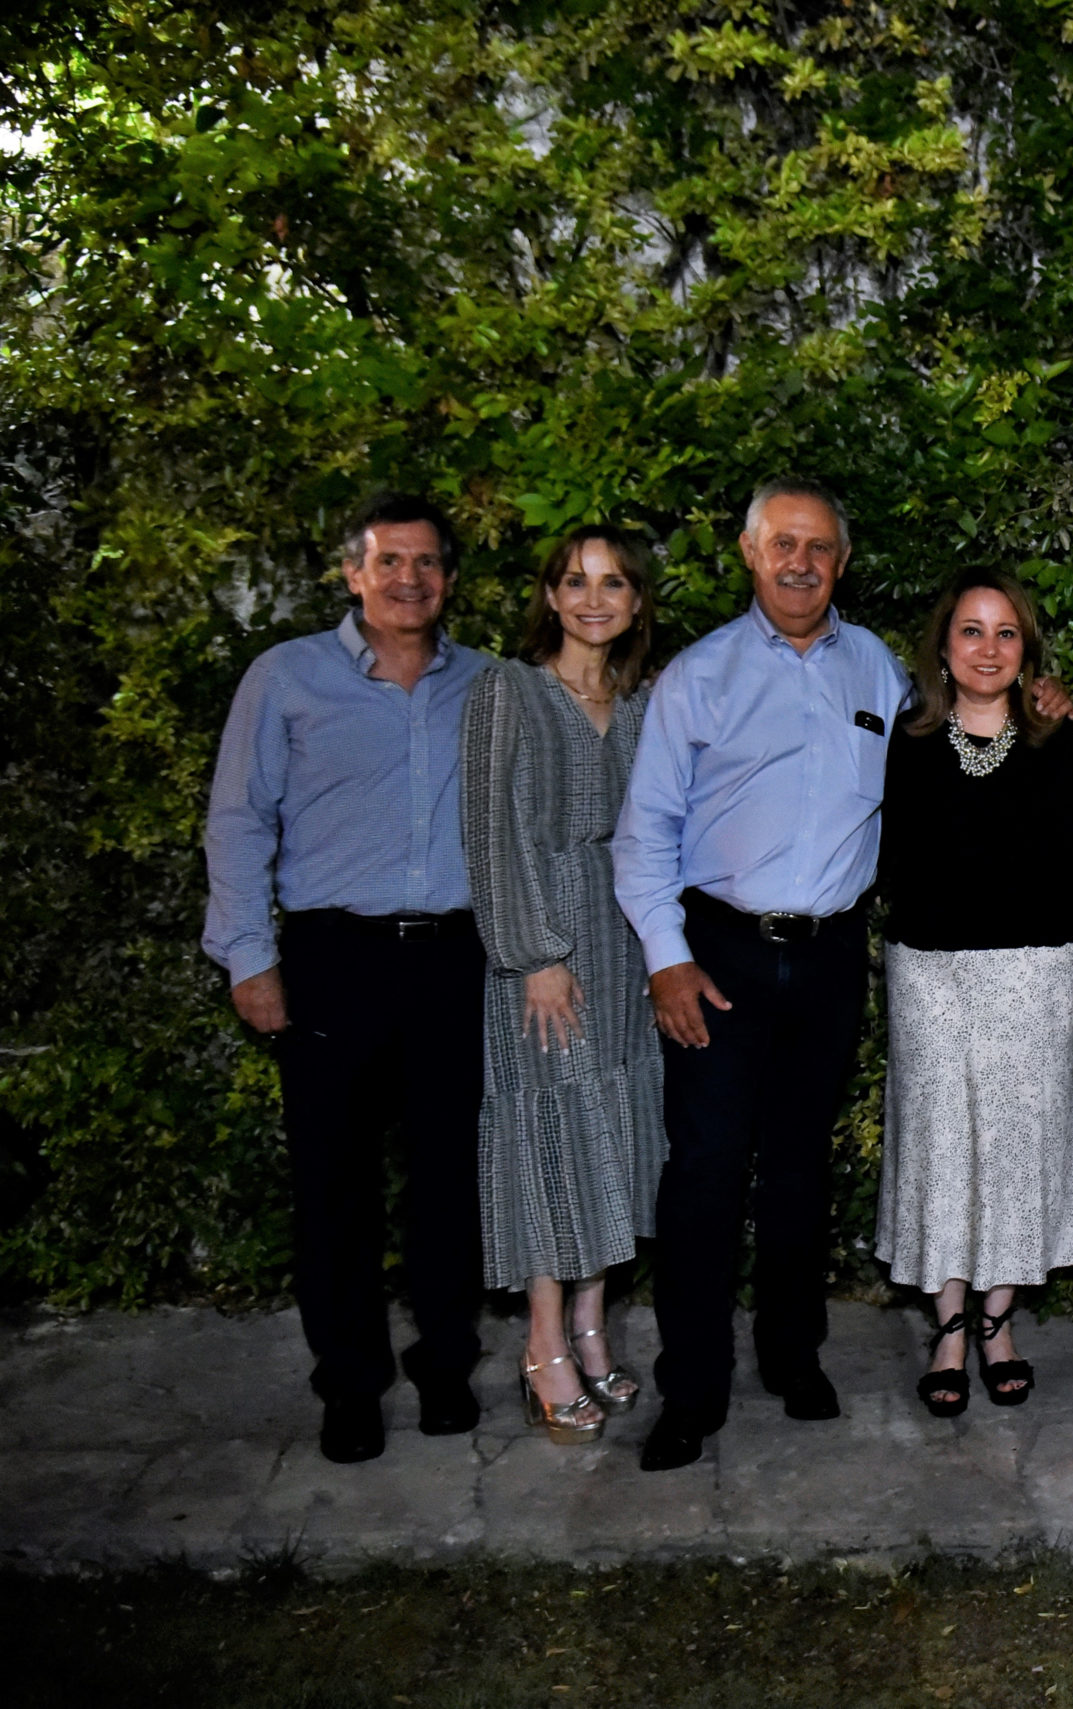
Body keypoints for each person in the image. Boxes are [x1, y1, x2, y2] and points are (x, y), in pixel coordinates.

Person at [611, 479, 907, 1471]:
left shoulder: (877, 668)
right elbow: (643, 832)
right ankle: (690, 1388)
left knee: (798, 1171)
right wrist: (668, 962)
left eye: (819, 547)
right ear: (749, 551)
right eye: (783, 542)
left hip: (826, 959)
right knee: (701, 1174)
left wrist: (1038, 705)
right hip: (719, 956)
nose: (800, 562)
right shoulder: (698, 676)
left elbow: (951, 758)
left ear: (841, 561)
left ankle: (792, 1356)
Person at [202, 492, 493, 1464]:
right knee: (334, 1187)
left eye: (426, 563)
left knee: (449, 1183)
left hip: (456, 957)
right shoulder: (285, 679)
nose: (408, 579)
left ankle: (446, 1364)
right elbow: (239, 818)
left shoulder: (487, 684)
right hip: (334, 959)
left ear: (448, 579)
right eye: (388, 561)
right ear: (353, 573)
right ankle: (351, 1384)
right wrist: (249, 956)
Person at [875, 567, 1073, 1417]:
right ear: (943, 646)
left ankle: (998, 1323)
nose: (987, 647)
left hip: (1036, 973)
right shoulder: (904, 744)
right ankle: (947, 1327)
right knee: (940, 1143)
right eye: (971, 630)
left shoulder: (1061, 743)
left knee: (1017, 1145)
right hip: (930, 971)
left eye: (1005, 632)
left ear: (1027, 650)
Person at [462, 527, 665, 1446]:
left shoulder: (640, 699)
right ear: (548, 595)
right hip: (541, 948)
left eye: (612, 583)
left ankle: (592, 1325)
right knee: (548, 1130)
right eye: (575, 581)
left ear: (633, 601)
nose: (593, 598)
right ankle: (543, 1343)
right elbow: (487, 831)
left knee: (614, 1131)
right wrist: (531, 953)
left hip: (625, 941)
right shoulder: (506, 689)